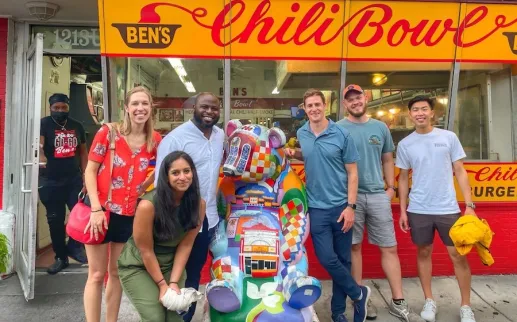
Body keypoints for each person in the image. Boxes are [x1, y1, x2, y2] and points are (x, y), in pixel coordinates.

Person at [338, 85, 424, 322]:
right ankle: (359, 299)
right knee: (353, 248)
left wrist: (390, 188)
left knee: (389, 248)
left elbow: (388, 159)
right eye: (350, 100)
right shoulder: (337, 129)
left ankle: (398, 302)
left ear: (366, 98)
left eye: (358, 97)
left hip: (378, 195)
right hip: (349, 198)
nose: (355, 102)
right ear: (345, 104)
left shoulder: (380, 127)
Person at [285, 88, 371, 322]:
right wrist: (296, 153)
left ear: (325, 107)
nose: (313, 109)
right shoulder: (302, 132)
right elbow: (314, 154)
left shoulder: (341, 134)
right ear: (304, 109)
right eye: (309, 105)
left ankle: (338, 312)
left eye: (317, 104)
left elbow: (353, 173)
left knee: (343, 260)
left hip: (341, 207)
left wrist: (351, 207)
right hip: (316, 208)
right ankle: (358, 293)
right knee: (326, 258)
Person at [83, 86, 162, 322]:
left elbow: (161, 169)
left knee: (115, 273)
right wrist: (96, 209)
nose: (140, 108)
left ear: (151, 108)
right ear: (126, 108)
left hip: (127, 213)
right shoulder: (108, 133)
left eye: (145, 104)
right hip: (100, 211)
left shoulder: (155, 139)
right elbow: (90, 171)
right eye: (135, 104)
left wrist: (145, 184)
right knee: (96, 274)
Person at [396, 95, 477, 322]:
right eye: (415, 110)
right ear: (410, 114)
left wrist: (469, 205)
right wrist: (403, 210)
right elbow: (402, 178)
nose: (419, 113)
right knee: (423, 252)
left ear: (432, 113)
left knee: (458, 256)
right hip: (419, 208)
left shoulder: (448, 137)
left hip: (447, 208)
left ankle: (466, 306)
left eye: (424, 109)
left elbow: (460, 170)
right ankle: (429, 300)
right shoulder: (405, 144)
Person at [155, 92, 224, 322]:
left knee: (195, 271)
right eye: (204, 107)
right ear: (193, 107)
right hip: (180, 218)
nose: (209, 112)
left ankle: (186, 317)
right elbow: (160, 182)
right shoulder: (175, 139)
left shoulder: (219, 135)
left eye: (214, 108)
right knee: (175, 273)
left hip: (209, 217)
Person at [118, 151, 205, 322]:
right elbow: (145, 251)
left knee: (175, 316)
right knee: (155, 317)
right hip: (138, 265)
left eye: (186, 171)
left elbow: (186, 246)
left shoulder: (199, 205)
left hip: (171, 264)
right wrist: (162, 285)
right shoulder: (148, 205)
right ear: (165, 177)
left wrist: (172, 283)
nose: (183, 177)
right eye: (175, 173)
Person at [39, 93, 88, 274]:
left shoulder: (77, 126)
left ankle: (74, 246)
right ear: (50, 107)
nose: (60, 111)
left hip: (73, 180)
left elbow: (83, 152)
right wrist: (41, 156)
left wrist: (86, 176)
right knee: (55, 220)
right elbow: (40, 145)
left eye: (63, 108)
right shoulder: (44, 124)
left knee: (82, 215)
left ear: (68, 107)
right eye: (56, 108)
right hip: (50, 181)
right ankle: (61, 257)